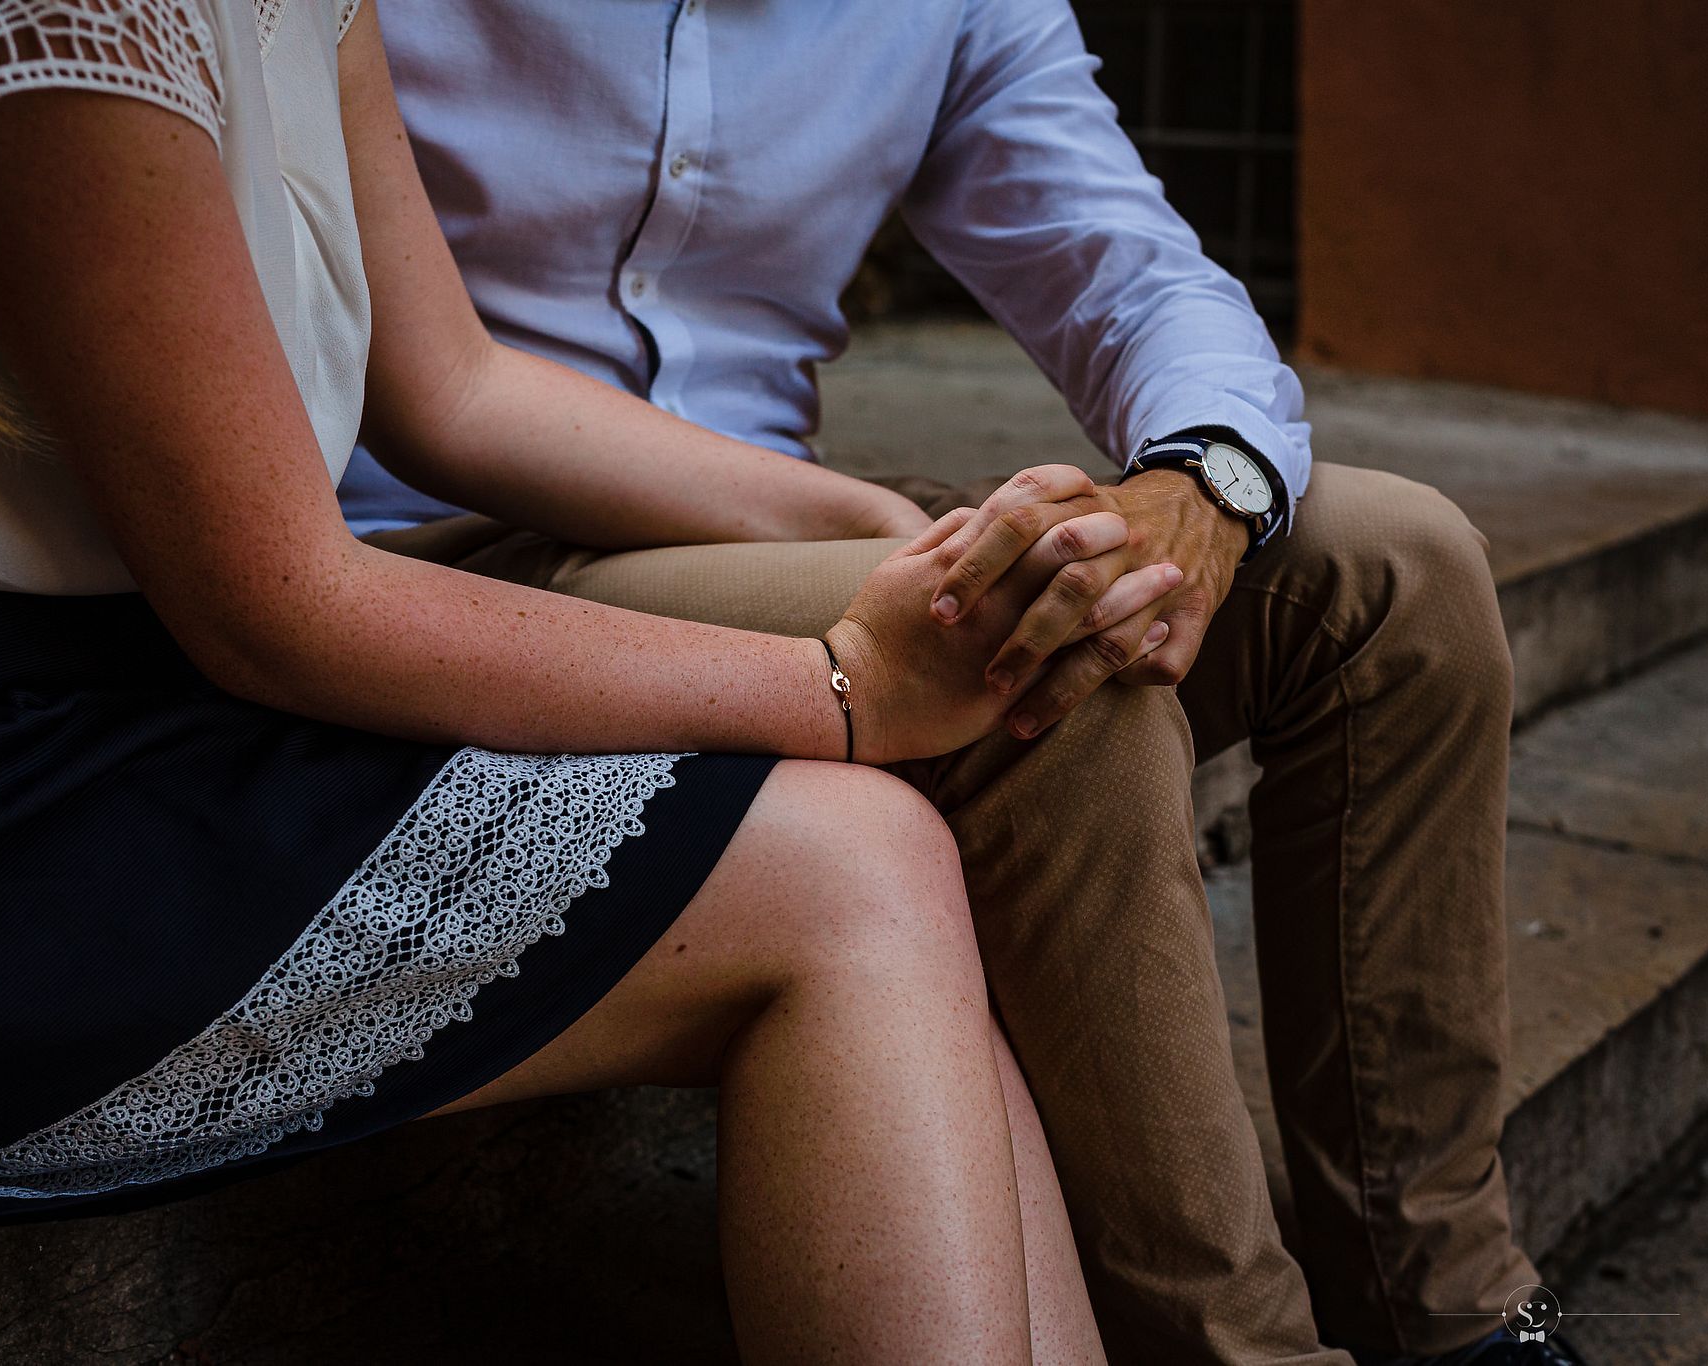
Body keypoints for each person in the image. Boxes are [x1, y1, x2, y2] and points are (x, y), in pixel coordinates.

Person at [0, 2, 1137, 1359]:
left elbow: (453, 388)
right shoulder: (59, 27)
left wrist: (874, 530)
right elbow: (282, 607)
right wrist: (842, 683)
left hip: (106, 701)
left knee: (884, 872)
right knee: (856, 875)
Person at [332, 3, 1582, 1364]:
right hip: (458, 552)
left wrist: (1200, 480)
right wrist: (889, 540)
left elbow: (1125, 262)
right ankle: (1241, 1346)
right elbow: (435, 392)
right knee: (1029, 656)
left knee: (1394, 572)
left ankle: (1455, 1311)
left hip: (807, 520)